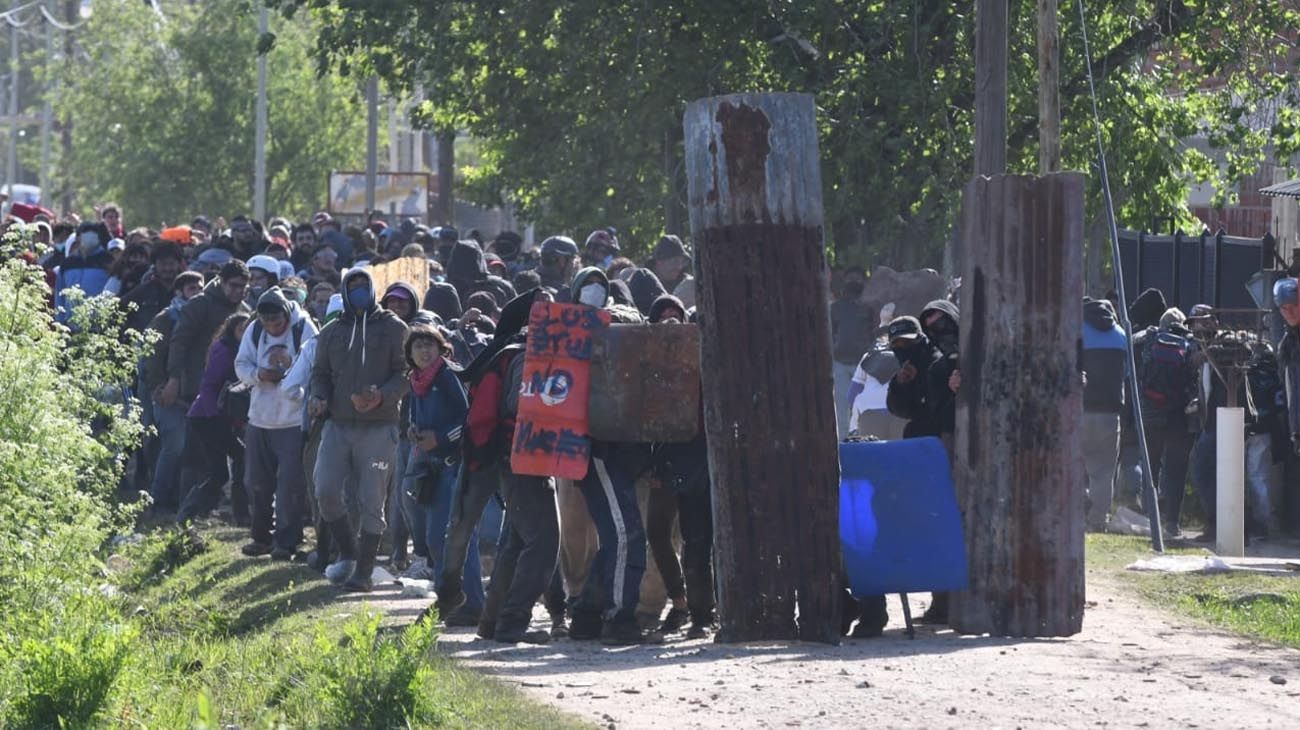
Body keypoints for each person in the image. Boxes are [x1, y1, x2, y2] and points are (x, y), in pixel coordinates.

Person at [564, 267, 656, 645]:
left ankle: (587, 615)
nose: (594, 292)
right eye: (587, 286)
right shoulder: (569, 335)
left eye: (600, 286)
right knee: (625, 536)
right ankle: (619, 618)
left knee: (616, 538)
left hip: (624, 448)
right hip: (598, 448)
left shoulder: (625, 325)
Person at [309, 268, 410, 592]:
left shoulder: (394, 328)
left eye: (362, 286)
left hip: (380, 427)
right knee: (325, 490)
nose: (358, 293)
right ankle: (348, 551)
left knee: (372, 500)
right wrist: (318, 397)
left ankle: (363, 573)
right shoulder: (332, 331)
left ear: (373, 289)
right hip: (337, 424)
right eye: (351, 287)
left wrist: (382, 395)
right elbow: (320, 373)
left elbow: (406, 373)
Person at [235, 287, 318, 559]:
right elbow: (241, 364)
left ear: (286, 314)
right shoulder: (254, 331)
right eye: (267, 322)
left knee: (290, 486)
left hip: (293, 419)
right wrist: (259, 375)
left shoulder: (303, 329)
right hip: (260, 417)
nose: (272, 327)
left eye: (277, 322)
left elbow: (315, 366)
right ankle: (261, 537)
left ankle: (286, 541)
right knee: (255, 482)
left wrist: (289, 373)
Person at [176, 312, 253, 525]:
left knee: (219, 472)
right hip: (208, 416)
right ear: (232, 330)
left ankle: (193, 513)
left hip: (213, 416)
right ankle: (236, 512)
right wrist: (217, 413)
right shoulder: (225, 349)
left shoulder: (239, 350)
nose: (244, 333)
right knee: (240, 457)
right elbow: (210, 384)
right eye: (241, 329)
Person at [140, 271, 205, 514]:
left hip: (194, 393)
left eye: (200, 288)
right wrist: (160, 387)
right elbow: (152, 357)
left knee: (193, 449)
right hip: (166, 393)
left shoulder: (202, 316)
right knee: (173, 446)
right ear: (179, 292)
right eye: (191, 289)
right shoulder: (165, 319)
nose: (197, 293)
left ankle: (186, 500)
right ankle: (157, 500)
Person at [1133, 307, 1197, 537]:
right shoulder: (1190, 342)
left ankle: (1149, 518)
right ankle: (1172, 523)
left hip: (1151, 413)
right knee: (1176, 470)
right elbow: (1193, 378)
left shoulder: (1149, 339)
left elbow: (1139, 373)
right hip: (1178, 415)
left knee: (1151, 466)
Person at [162, 260, 252, 414]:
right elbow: (179, 342)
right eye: (233, 285)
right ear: (222, 281)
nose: (238, 290)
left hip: (230, 387)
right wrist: (174, 379)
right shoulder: (199, 304)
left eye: (242, 286)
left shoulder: (244, 311)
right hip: (196, 382)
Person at [1081, 297, 1127, 531]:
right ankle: (1097, 520)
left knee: (1072, 463)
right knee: (1103, 471)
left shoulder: (1076, 329)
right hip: (1110, 411)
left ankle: (1076, 513)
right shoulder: (1120, 333)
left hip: (1080, 408)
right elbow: (1126, 374)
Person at [831, 270, 879, 436]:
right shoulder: (835, 308)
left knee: (862, 406)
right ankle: (844, 442)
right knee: (842, 408)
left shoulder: (868, 308)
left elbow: (874, 332)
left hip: (863, 364)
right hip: (840, 363)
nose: (853, 281)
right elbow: (830, 333)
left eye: (857, 278)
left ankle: (863, 439)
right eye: (850, 278)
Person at [123, 242, 187, 333]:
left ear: (179, 264)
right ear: (154, 264)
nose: (167, 268)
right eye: (163, 264)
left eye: (171, 264)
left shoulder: (188, 290)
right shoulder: (143, 291)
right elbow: (119, 310)